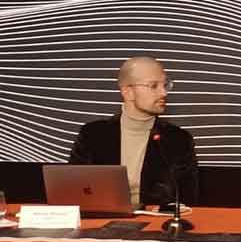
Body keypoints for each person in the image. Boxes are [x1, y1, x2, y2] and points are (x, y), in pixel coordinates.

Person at [69, 56, 198, 207]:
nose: (164, 93)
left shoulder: (178, 139)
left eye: (165, 85)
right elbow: (72, 192)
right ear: (128, 92)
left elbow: (188, 200)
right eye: (153, 86)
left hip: (156, 220)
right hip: (102, 218)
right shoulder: (92, 135)